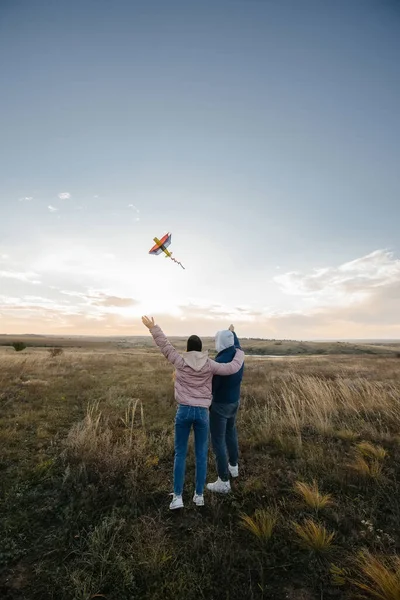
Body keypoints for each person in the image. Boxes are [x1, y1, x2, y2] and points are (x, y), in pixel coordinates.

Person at [141, 316, 245, 510]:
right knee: (200, 454)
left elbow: (165, 346)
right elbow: (232, 367)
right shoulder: (209, 365)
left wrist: (153, 327)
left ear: (188, 349)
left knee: (180, 453)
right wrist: (239, 350)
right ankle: (199, 496)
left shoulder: (180, 362)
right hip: (203, 414)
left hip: (184, 411)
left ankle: (178, 498)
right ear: (201, 348)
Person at [207, 324, 244, 494]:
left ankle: (223, 481)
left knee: (218, 441)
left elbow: (212, 387)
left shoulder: (220, 362)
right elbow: (237, 344)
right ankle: (234, 467)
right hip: (234, 402)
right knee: (231, 432)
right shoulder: (238, 355)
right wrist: (232, 332)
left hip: (220, 405)